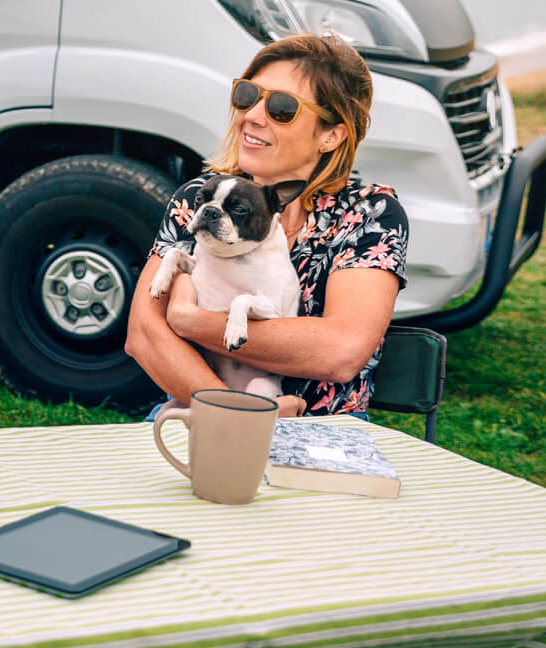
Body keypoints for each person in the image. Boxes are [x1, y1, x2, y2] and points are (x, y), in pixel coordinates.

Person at [125, 33, 409, 419]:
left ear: (331, 134)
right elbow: (144, 335)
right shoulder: (202, 196)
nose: (252, 116)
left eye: (281, 108)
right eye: (247, 96)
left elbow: (341, 352)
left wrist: (190, 320)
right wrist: (237, 415)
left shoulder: (367, 213)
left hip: (319, 431)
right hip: (198, 411)